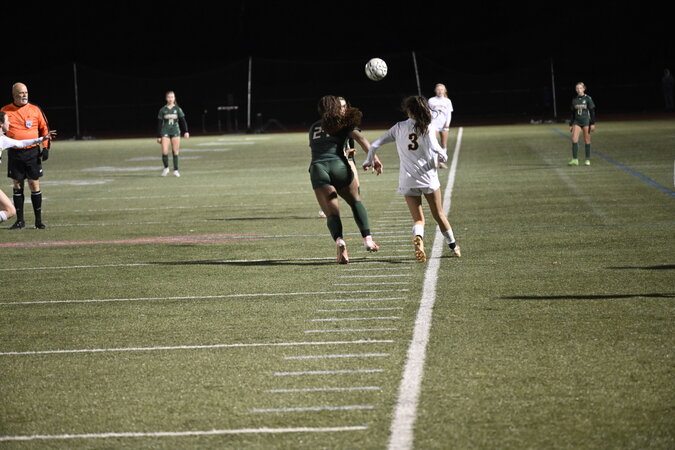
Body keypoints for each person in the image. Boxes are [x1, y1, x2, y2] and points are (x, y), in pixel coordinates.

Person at [363, 96, 460, 262]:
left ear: (408, 110)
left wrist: (368, 161)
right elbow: (436, 147)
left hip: (407, 180)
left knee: (418, 219)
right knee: (438, 214)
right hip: (428, 178)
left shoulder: (399, 127)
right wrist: (443, 155)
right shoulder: (427, 127)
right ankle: (453, 246)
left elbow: (374, 145)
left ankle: (419, 238)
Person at [309, 95, 382, 264]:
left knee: (331, 213)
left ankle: (340, 240)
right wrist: (374, 159)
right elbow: (361, 139)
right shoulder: (343, 123)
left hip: (318, 168)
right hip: (339, 166)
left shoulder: (314, 127)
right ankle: (368, 239)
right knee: (355, 201)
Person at [1, 82, 51, 229]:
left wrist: (46, 147)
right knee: (17, 184)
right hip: (15, 152)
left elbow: (45, 128)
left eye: (26, 92)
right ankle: (20, 221)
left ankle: (38, 221)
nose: (24, 95)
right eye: (21, 93)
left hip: (32, 152)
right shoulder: (5, 111)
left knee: (34, 184)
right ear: (14, 95)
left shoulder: (35, 109)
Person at [157, 91, 189, 177]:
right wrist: (158, 136)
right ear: (166, 98)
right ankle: (166, 168)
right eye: (169, 97)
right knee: (164, 151)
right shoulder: (162, 110)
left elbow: (183, 121)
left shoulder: (178, 109)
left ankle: (176, 170)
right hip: (165, 131)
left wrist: (186, 131)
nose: (170, 99)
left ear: (174, 98)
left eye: (172, 97)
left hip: (175, 131)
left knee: (175, 151)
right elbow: (159, 123)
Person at [568, 82, 596, 166]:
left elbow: (592, 111)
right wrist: (571, 124)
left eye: (580, 88)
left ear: (584, 89)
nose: (578, 90)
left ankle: (587, 159)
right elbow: (572, 113)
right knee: (574, 139)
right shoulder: (574, 99)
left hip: (586, 122)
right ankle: (575, 159)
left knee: (587, 140)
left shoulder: (588, 98)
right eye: (577, 88)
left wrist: (592, 123)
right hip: (576, 122)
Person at [428, 83, 453, 169]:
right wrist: (430, 123)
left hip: (444, 125)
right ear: (435, 91)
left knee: (444, 144)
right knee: (434, 144)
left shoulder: (447, 101)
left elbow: (449, 114)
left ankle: (441, 162)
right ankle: (434, 162)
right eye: (438, 89)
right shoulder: (431, 100)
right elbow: (429, 112)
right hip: (434, 125)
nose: (440, 91)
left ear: (445, 91)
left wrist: (447, 124)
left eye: (442, 89)